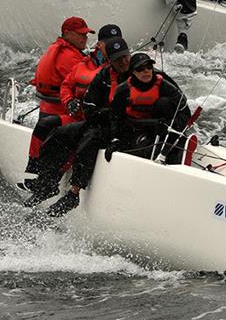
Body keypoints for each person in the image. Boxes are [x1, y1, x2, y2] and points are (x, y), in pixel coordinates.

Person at [25, 37, 133, 211]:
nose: (124, 62)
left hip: (125, 126)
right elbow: (87, 103)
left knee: (88, 139)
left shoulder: (141, 71)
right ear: (110, 60)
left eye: (126, 57)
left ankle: (73, 194)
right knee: (60, 132)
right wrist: (72, 103)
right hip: (98, 122)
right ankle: (47, 182)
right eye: (119, 59)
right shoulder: (101, 74)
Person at [24, 17, 94, 175]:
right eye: (81, 34)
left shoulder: (54, 48)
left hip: (46, 109)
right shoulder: (71, 57)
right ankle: (53, 176)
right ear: (67, 34)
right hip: (61, 111)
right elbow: (84, 85)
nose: (85, 38)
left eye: (86, 34)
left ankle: (36, 168)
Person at [106, 52, 192, 166]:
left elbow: (185, 113)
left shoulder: (165, 86)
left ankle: (176, 150)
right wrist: (115, 139)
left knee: (164, 103)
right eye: (140, 68)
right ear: (133, 72)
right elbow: (115, 117)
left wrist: (171, 125)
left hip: (162, 130)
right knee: (144, 148)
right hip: (135, 129)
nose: (146, 71)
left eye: (149, 67)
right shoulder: (123, 90)